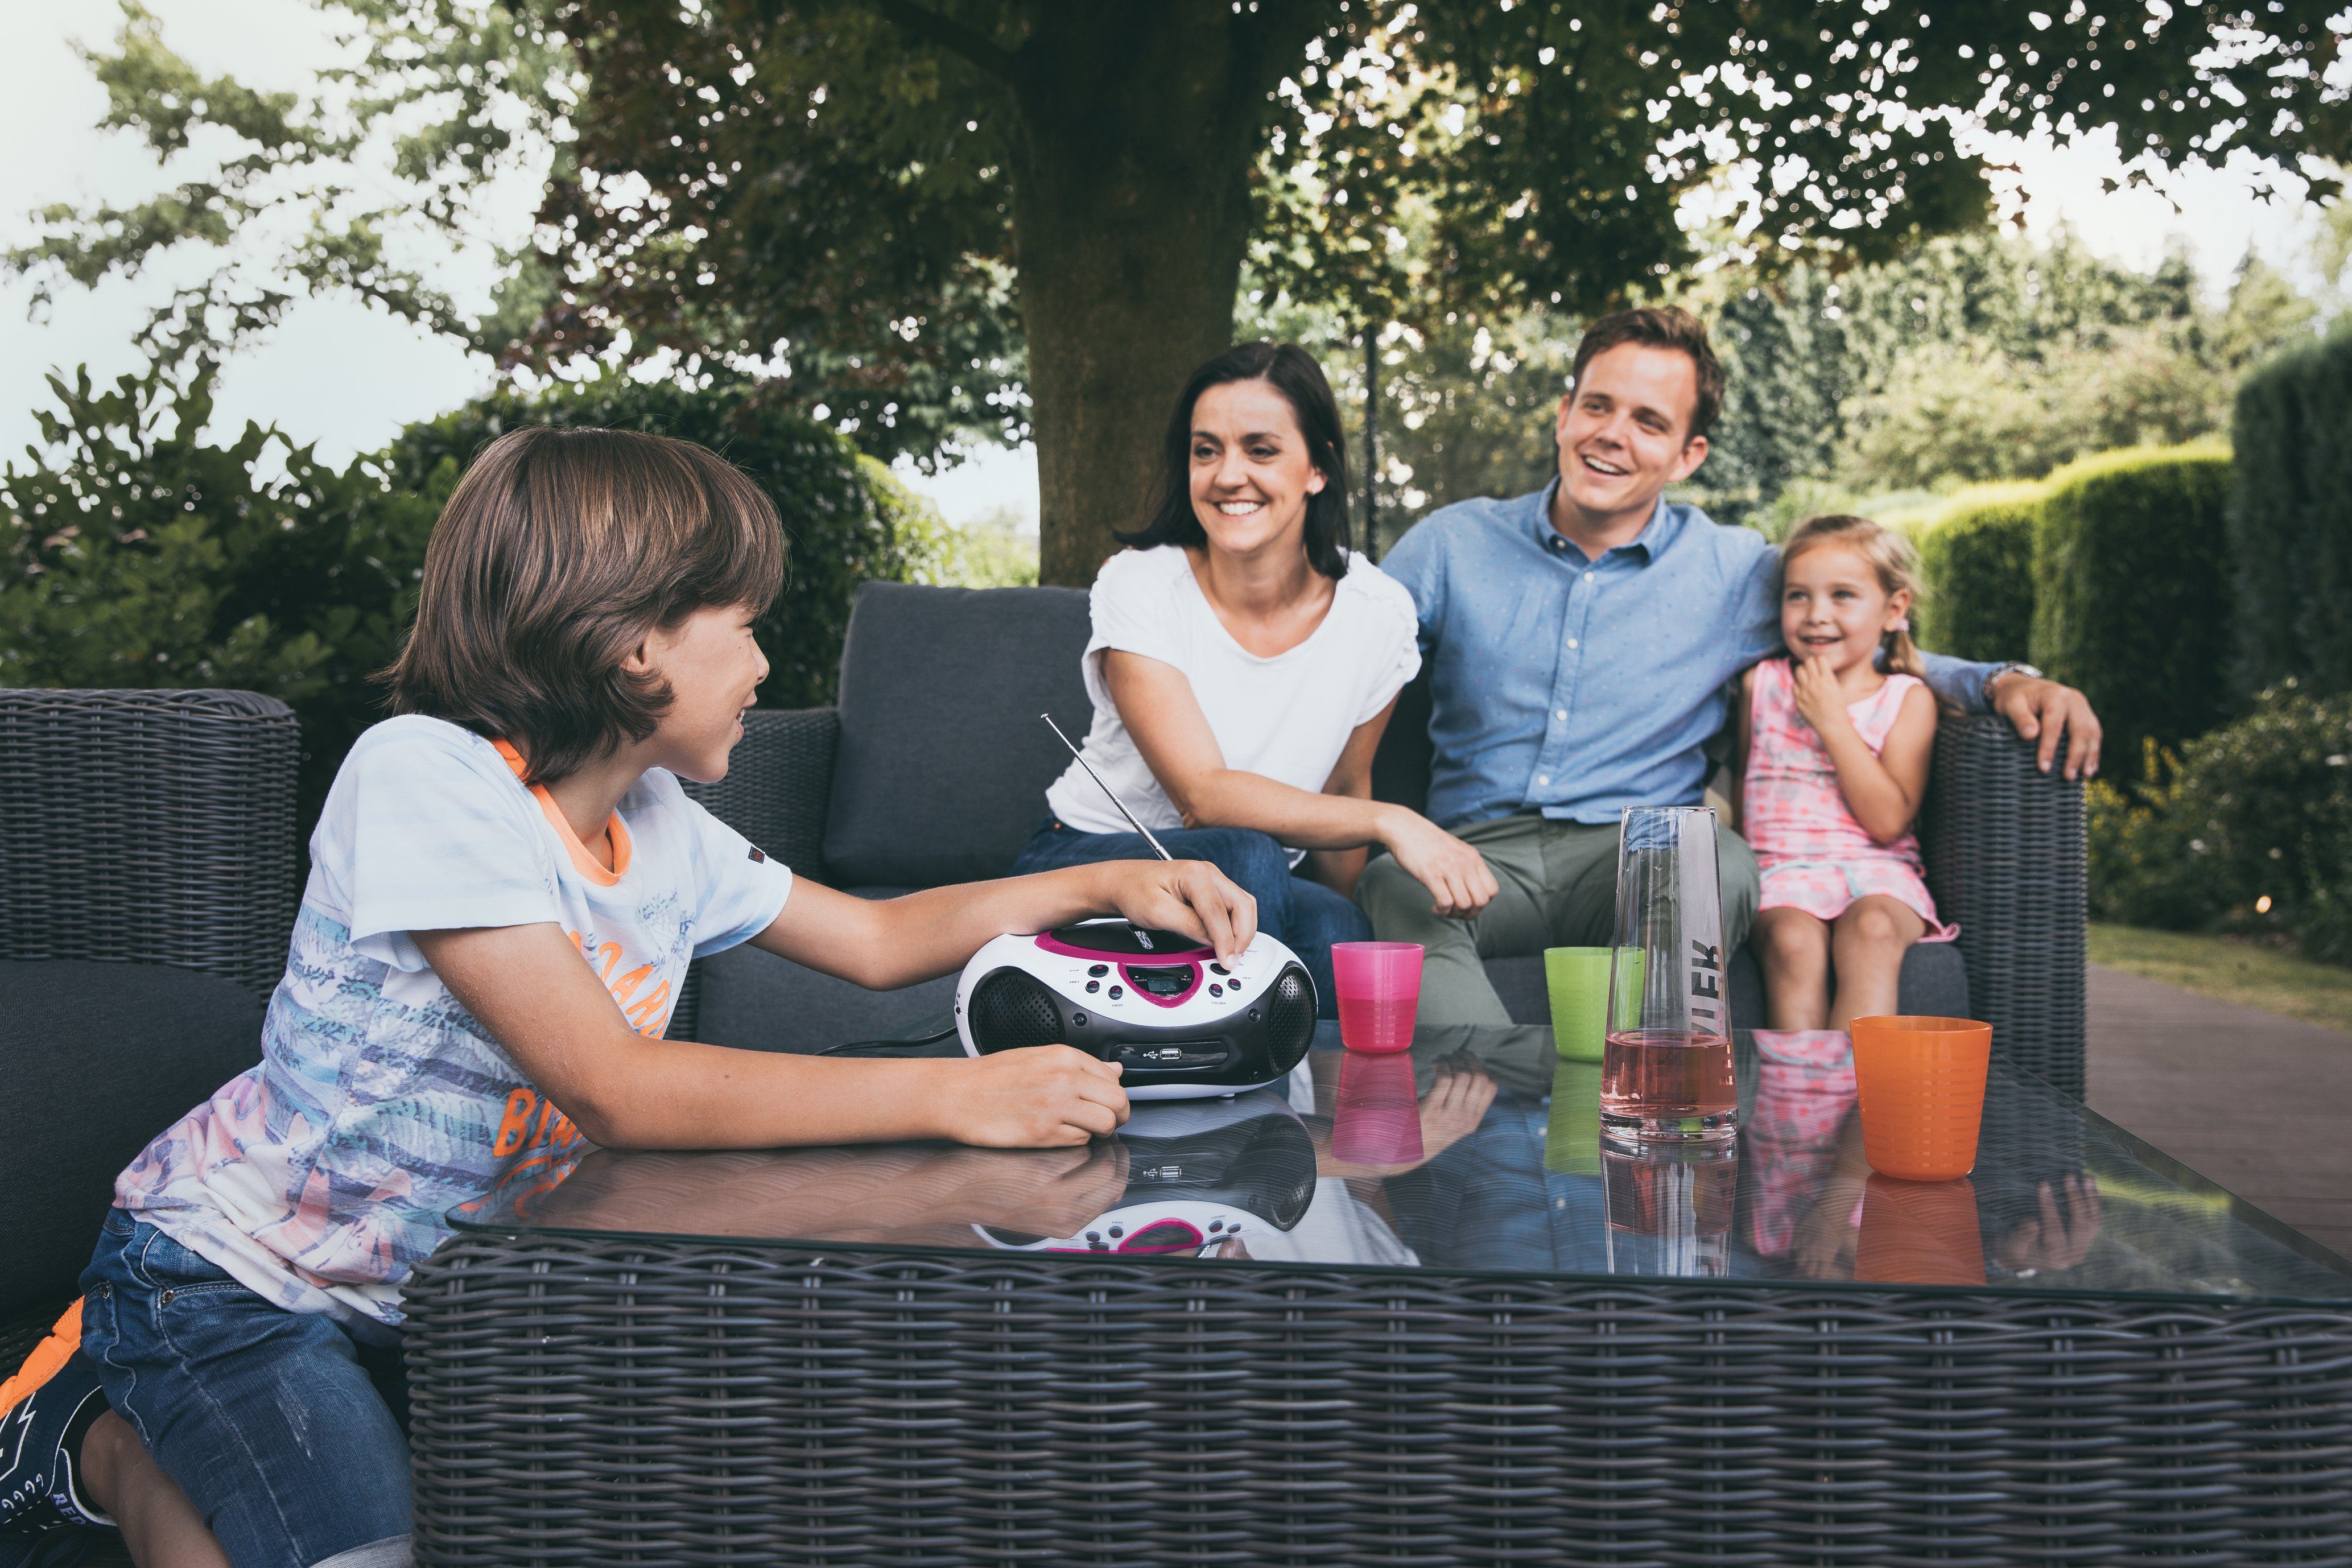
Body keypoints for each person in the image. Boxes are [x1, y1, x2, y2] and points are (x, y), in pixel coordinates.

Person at [0, 427, 1256, 1568]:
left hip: (434, 1297)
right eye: (746, 624)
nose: (768, 663)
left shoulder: (664, 824)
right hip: (230, 1277)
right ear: (632, 640)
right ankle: (95, 1443)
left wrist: (1107, 882)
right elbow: (616, 1087)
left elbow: (874, 940)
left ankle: (131, 1438)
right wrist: (959, 1093)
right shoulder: (427, 779)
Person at [1359, 306, 2105, 1025]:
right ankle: (1501, 1108)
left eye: (1649, 422)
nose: (1611, 435)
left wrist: (2004, 680)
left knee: (1713, 860)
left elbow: (1861, 642)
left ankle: (1658, 1107)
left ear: (1688, 456)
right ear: (1564, 415)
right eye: (1597, 406)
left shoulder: (1732, 570)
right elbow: (1337, 649)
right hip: (1474, 856)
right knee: (1393, 885)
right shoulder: (1451, 543)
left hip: (1635, 853)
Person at [1012, 342, 1494, 1016]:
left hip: (1252, 878)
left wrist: (1349, 898)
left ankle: (1322, 1116)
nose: (1228, 474)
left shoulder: (1379, 612)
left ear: (1318, 469)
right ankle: (1234, 1081)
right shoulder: (1142, 582)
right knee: (1247, 852)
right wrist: (1394, 822)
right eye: (1206, 451)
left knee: (1337, 931)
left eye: (1260, 450)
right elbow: (1202, 798)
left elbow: (1345, 785)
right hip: (1089, 861)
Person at [1731, 514, 1957, 1029]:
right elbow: (1747, 792)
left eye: (1843, 596)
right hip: (1780, 873)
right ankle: (1802, 1102)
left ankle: (1855, 1101)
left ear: (1894, 608)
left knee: (1873, 928)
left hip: (1878, 872)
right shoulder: (1761, 686)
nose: (1816, 615)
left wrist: (1833, 722)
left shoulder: (1907, 698)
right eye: (1798, 596)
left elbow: (1887, 822)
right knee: (1793, 941)